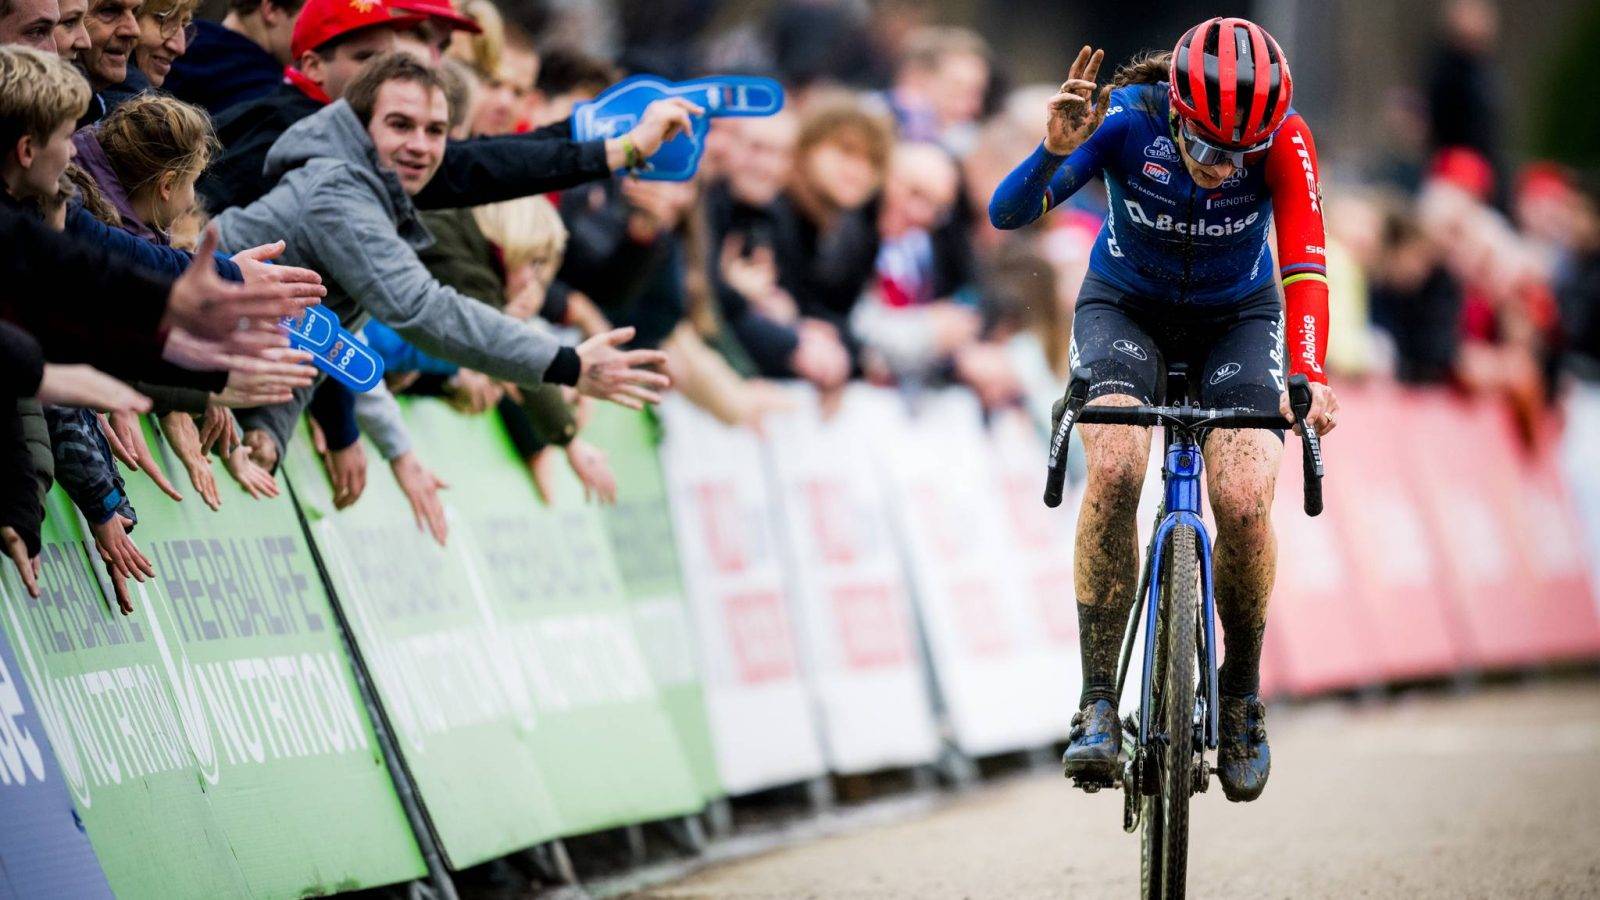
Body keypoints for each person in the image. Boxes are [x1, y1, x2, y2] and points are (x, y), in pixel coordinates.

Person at [988, 19, 1338, 803]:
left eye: (1239, 156)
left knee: (1246, 498)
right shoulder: (1123, 120)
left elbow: (1306, 263)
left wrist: (1308, 376)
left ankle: (1242, 692)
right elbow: (1007, 216)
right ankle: (1098, 704)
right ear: (1177, 112)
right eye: (1209, 149)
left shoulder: (1285, 139)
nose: (1223, 171)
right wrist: (1051, 151)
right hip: (1126, 309)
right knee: (1113, 465)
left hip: (1238, 319)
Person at [212, 52, 672, 466]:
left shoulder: (379, 194)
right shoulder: (339, 192)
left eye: (435, 131)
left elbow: (319, 335)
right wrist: (567, 364)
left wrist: (268, 430)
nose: (420, 145)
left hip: (210, 370)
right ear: (361, 126)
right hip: (182, 351)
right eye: (400, 125)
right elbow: (423, 309)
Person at [162, 0, 304, 113]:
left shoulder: (161, 49)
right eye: (306, 17)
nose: (310, 29)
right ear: (271, 9)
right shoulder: (270, 100)